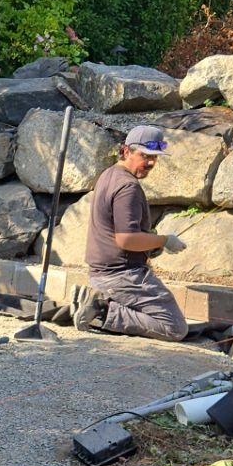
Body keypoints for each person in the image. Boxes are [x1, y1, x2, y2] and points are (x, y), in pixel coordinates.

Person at [71, 124, 189, 341]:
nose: (151, 163)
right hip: (122, 277)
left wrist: (151, 244)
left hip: (104, 274)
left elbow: (119, 233)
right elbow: (126, 239)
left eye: (155, 157)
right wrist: (164, 240)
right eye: (145, 155)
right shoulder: (128, 187)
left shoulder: (108, 175)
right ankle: (101, 310)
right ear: (126, 151)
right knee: (175, 327)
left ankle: (100, 304)